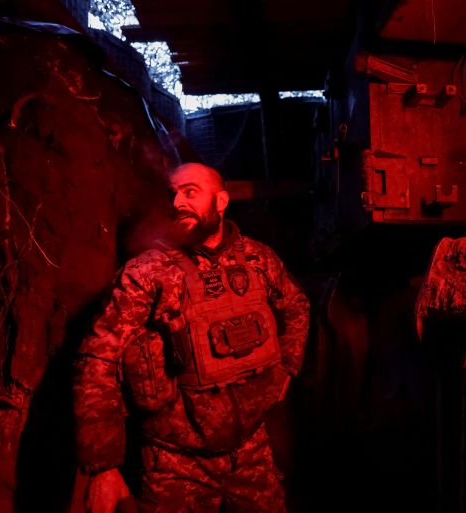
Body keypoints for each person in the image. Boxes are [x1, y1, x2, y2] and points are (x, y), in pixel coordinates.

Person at [73, 162, 310, 513]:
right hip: (174, 465)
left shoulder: (257, 259)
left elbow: (296, 306)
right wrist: (103, 465)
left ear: (221, 201)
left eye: (190, 192)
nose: (177, 203)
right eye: (172, 194)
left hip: (251, 452)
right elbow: (98, 358)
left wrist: (289, 364)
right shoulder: (148, 272)